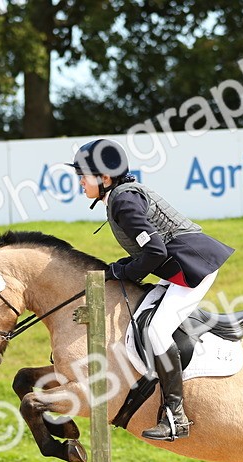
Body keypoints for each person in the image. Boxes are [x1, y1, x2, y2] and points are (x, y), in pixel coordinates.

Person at [70, 138, 234, 441]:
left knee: (157, 331)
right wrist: (120, 267)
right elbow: (149, 251)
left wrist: (123, 272)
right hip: (178, 268)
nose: (80, 181)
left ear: (105, 178)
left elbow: (155, 252)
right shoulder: (119, 197)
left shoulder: (123, 201)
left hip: (190, 269)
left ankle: (175, 415)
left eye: (84, 175)